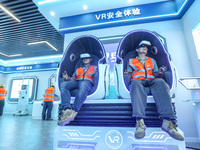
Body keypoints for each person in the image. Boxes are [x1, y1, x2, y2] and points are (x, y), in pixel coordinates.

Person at [128, 40, 184, 141]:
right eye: (142, 46)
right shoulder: (131, 61)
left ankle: (167, 122)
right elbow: (128, 74)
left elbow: (155, 74)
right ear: (137, 50)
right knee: (135, 83)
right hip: (138, 80)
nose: (145, 47)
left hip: (151, 80)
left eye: (146, 47)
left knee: (161, 82)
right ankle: (139, 122)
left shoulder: (152, 60)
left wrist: (160, 72)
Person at [58, 53, 98, 126]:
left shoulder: (95, 67)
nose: (85, 59)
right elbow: (73, 78)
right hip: (77, 82)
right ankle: (67, 109)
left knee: (83, 85)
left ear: (90, 59)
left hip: (87, 81)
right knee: (63, 84)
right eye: (84, 58)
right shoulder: (78, 69)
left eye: (87, 58)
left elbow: (98, 77)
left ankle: (74, 110)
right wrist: (67, 78)